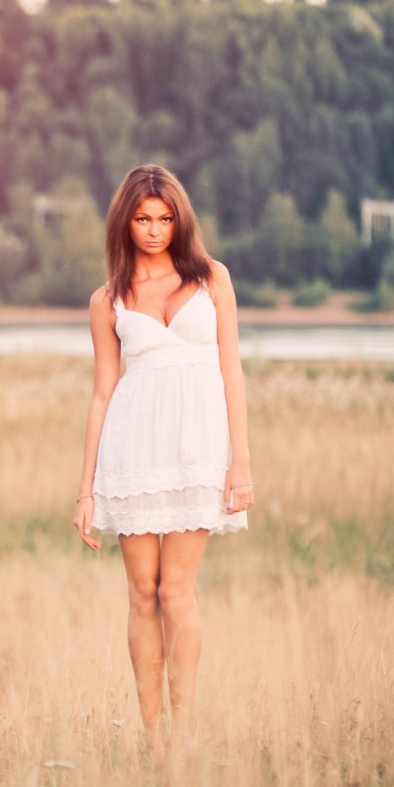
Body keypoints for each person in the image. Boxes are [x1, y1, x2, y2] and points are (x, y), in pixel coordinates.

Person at [71, 163, 254, 755]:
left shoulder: (212, 279)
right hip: (134, 453)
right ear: (125, 223)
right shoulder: (108, 300)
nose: (154, 229)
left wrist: (241, 464)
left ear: (181, 220)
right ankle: (152, 738)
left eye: (165, 218)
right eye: (143, 219)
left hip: (200, 451)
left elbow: (232, 370)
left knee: (178, 592)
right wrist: (86, 490)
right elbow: (102, 392)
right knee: (141, 594)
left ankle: (183, 729)